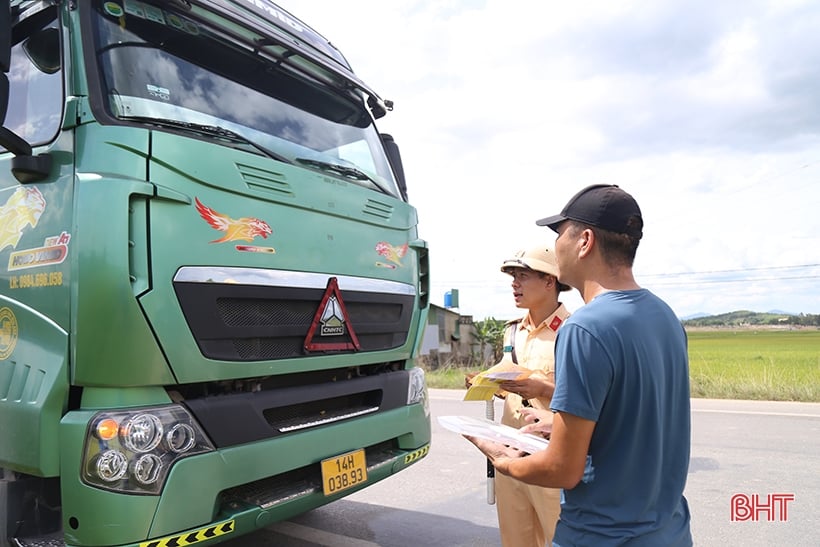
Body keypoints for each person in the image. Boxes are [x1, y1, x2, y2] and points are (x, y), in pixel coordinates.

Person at [466, 184, 693, 546]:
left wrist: (502, 459)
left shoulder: (584, 327)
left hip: (601, 536)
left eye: (559, 234)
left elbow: (563, 469)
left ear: (584, 241)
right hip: (667, 531)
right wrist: (558, 420)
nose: (556, 246)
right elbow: (633, 419)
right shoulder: (665, 317)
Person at [466, 245, 572, 547]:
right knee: (516, 538)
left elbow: (588, 397)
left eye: (522, 277)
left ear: (550, 281)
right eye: (513, 277)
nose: (514, 284)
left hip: (550, 455)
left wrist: (544, 389)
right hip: (511, 451)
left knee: (557, 536)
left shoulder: (574, 330)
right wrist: (490, 385)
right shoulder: (512, 332)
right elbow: (513, 387)